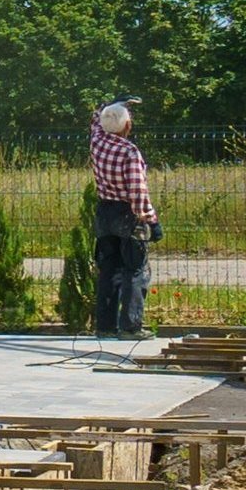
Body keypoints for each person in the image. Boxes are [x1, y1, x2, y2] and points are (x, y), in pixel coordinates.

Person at [83, 96, 157, 336]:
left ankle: (105, 326)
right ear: (127, 125)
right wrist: (151, 220)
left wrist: (112, 105)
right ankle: (131, 327)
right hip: (128, 215)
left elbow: (96, 121)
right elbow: (138, 192)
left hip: (105, 212)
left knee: (109, 270)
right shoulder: (129, 152)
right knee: (135, 270)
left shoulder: (97, 141)